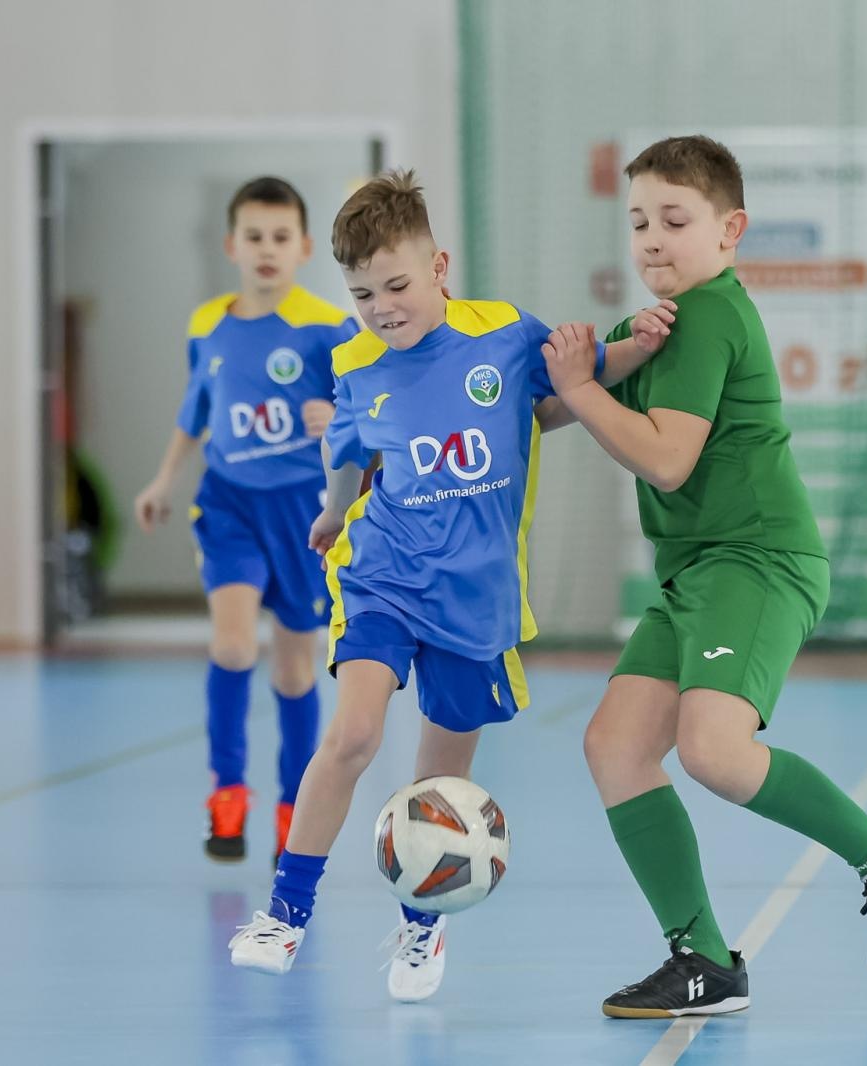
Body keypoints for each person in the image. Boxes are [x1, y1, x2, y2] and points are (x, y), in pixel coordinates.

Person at [228, 169, 677, 1003]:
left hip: (477, 601)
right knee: (354, 735)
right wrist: (332, 519)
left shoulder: (504, 332)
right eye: (363, 294)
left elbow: (566, 389)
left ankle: (421, 928)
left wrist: (638, 349)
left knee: (438, 786)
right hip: (382, 577)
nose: (383, 307)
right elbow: (350, 460)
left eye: (396, 285)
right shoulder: (357, 364)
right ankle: (286, 914)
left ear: (438, 266)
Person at [541, 135, 867, 1018]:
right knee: (614, 746)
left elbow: (667, 460)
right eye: (639, 221)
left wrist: (581, 390)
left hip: (758, 558)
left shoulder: (712, 313)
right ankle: (702, 960)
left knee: (714, 751)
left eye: (675, 221)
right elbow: (547, 404)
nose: (652, 239)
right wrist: (508, 371)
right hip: (696, 572)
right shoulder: (648, 325)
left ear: (731, 231)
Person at [134, 177, 358, 863]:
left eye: (281, 238)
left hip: (302, 515)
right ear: (233, 245)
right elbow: (194, 411)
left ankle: (296, 806)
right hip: (228, 503)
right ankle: (226, 796)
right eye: (254, 237)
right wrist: (165, 478)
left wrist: (336, 420)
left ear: (304, 248)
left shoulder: (328, 327)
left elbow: (369, 414)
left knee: (294, 672)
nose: (267, 249)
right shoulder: (207, 324)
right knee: (232, 646)